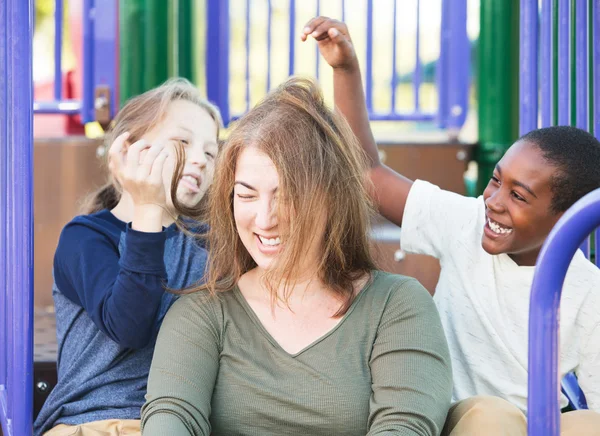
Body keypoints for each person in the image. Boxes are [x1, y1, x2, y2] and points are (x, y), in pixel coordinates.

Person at [301, 16, 600, 436]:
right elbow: (367, 175)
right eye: (496, 180)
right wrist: (345, 70)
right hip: (461, 418)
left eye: (518, 196)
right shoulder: (467, 223)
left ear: (568, 218)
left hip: (540, 425)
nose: (493, 202)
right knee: (493, 419)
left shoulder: (590, 292)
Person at [141, 77, 452, 435]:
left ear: (331, 197)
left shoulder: (396, 305)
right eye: (246, 195)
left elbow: (405, 426)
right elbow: (171, 419)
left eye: (287, 195)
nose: (265, 219)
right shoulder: (202, 315)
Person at [34, 78, 222, 436]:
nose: (199, 159)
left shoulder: (209, 243)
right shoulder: (86, 238)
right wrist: (149, 207)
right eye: (182, 141)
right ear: (130, 147)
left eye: (211, 153)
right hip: (90, 423)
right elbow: (129, 326)